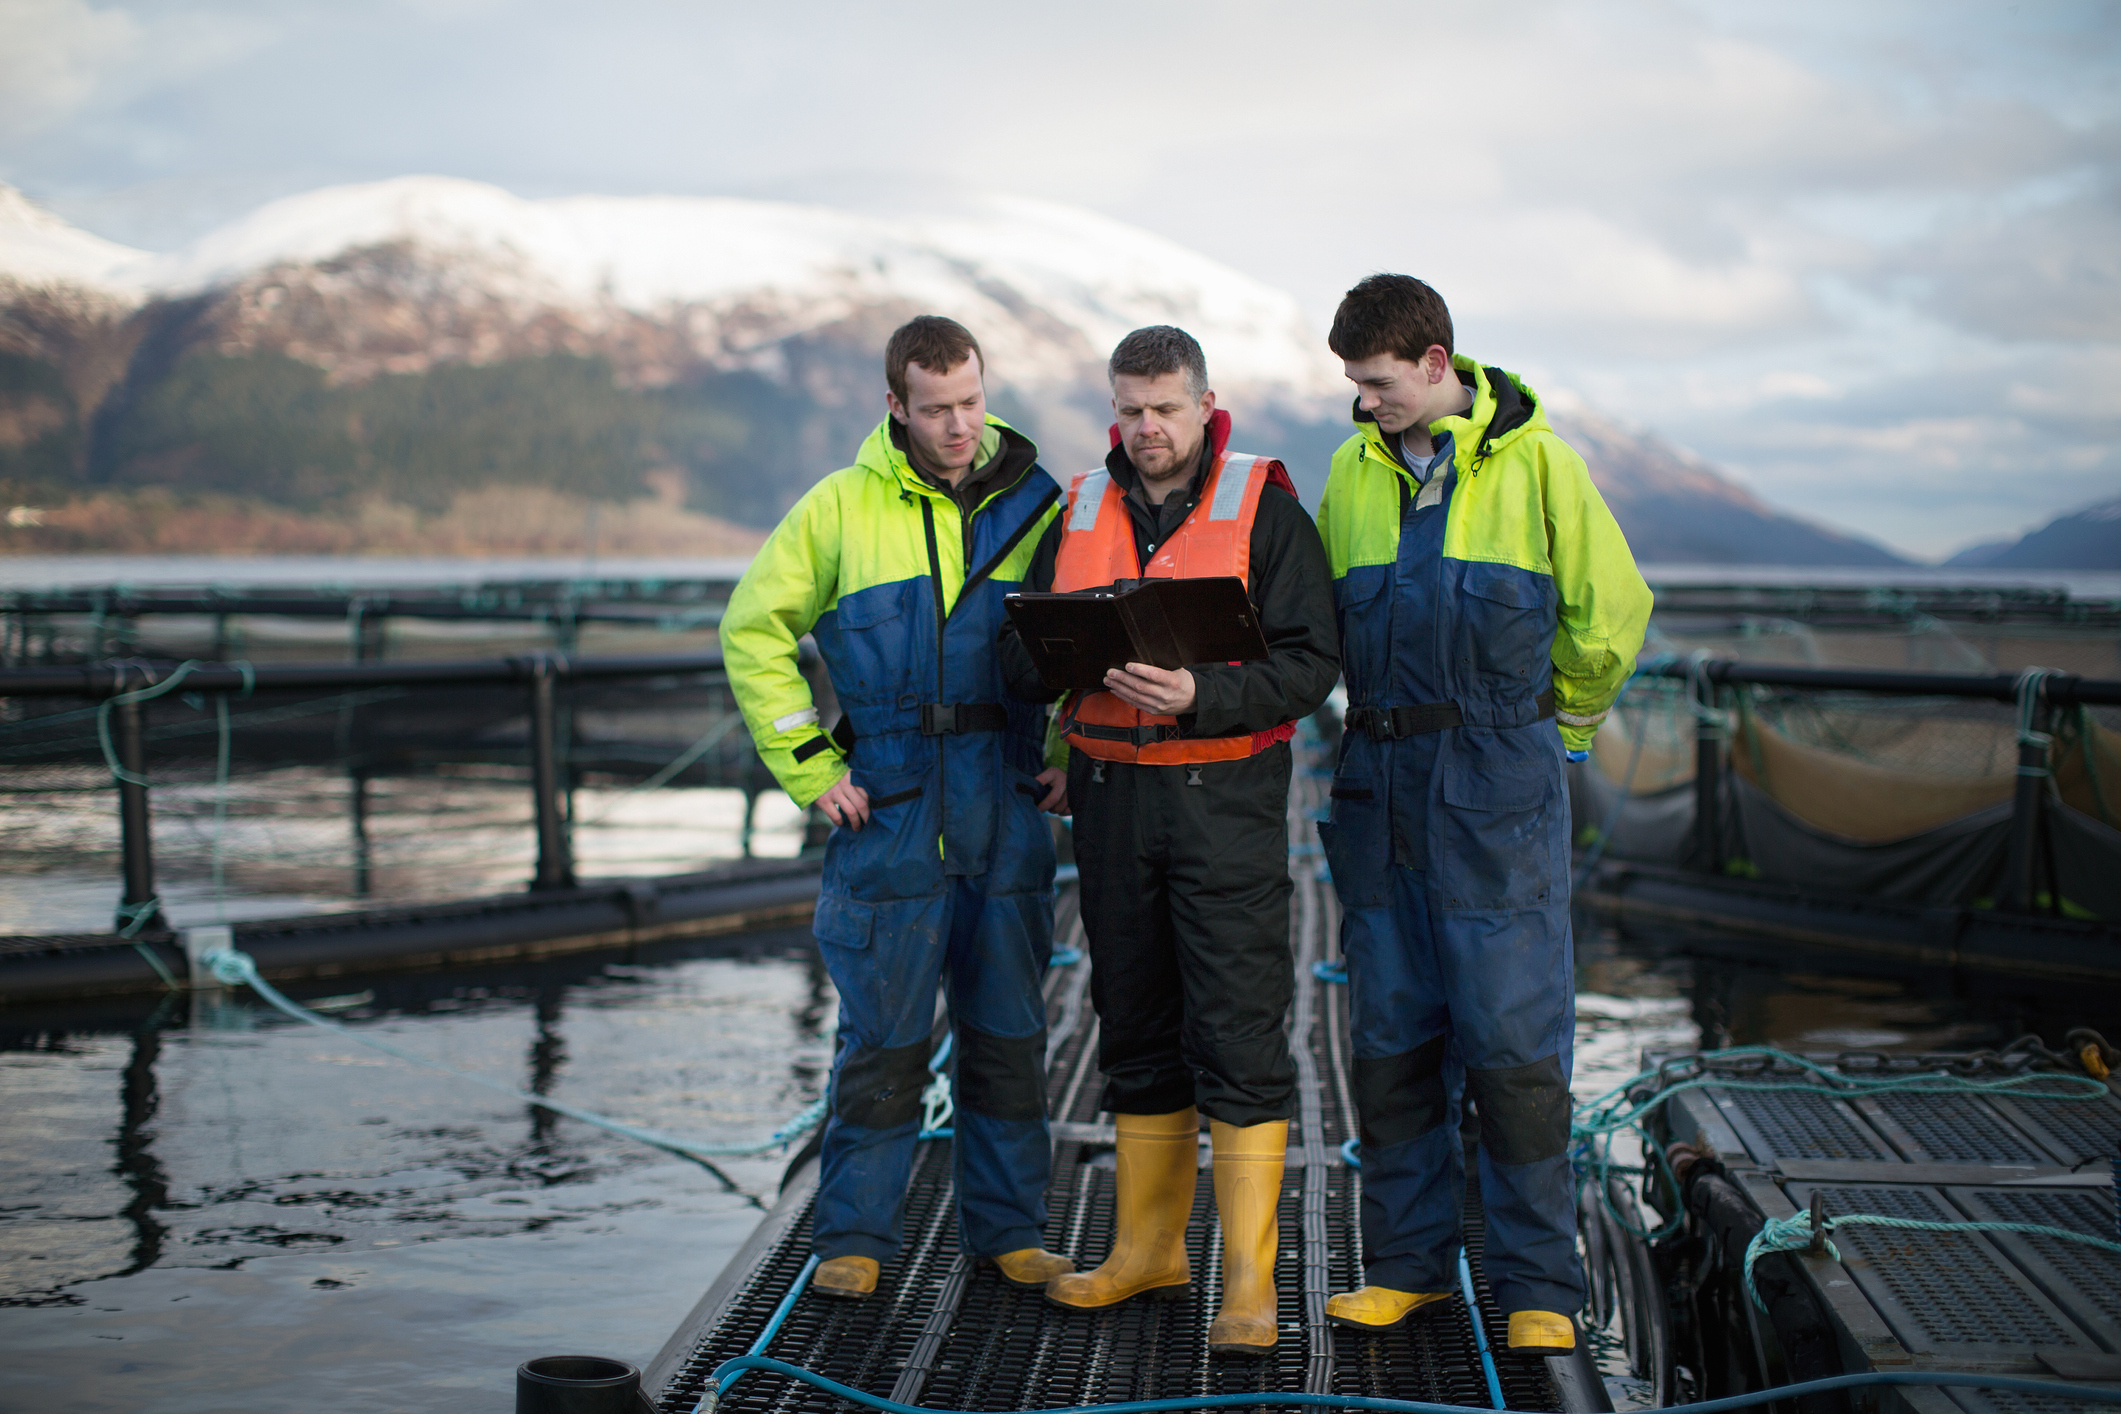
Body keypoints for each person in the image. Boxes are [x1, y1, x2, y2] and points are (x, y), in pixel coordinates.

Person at [1311, 275, 1651, 1350]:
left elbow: (1612, 610)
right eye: (1355, 387)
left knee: (1512, 1046)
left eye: (1379, 383)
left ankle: (1540, 1282)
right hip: (1378, 785)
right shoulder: (1348, 473)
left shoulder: (1540, 463)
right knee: (1393, 1041)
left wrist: (1564, 731)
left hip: (1498, 779)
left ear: (1434, 360)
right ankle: (1409, 1267)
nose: (1368, 404)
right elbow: (1313, 623)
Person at [1000, 325, 1340, 1356]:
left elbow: (1313, 663)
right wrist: (1057, 677)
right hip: (1107, 798)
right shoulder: (1079, 506)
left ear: (1204, 405)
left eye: (1166, 410)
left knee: (1236, 1030)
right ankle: (1150, 1249)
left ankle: (1247, 1281)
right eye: (1131, 411)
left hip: (1223, 796)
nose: (1148, 429)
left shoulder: (1265, 511)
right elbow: (1032, 653)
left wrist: (1202, 693)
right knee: (1134, 1022)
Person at [722, 315, 1075, 1300]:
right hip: (890, 812)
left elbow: (1079, 641)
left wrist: (1061, 757)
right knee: (881, 1041)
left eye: (971, 400)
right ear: (896, 407)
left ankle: (1010, 1233)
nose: (960, 424)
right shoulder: (838, 509)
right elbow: (755, 629)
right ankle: (855, 1238)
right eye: (936, 409)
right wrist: (807, 763)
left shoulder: (1044, 505)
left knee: (1009, 1037)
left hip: (1005, 810)